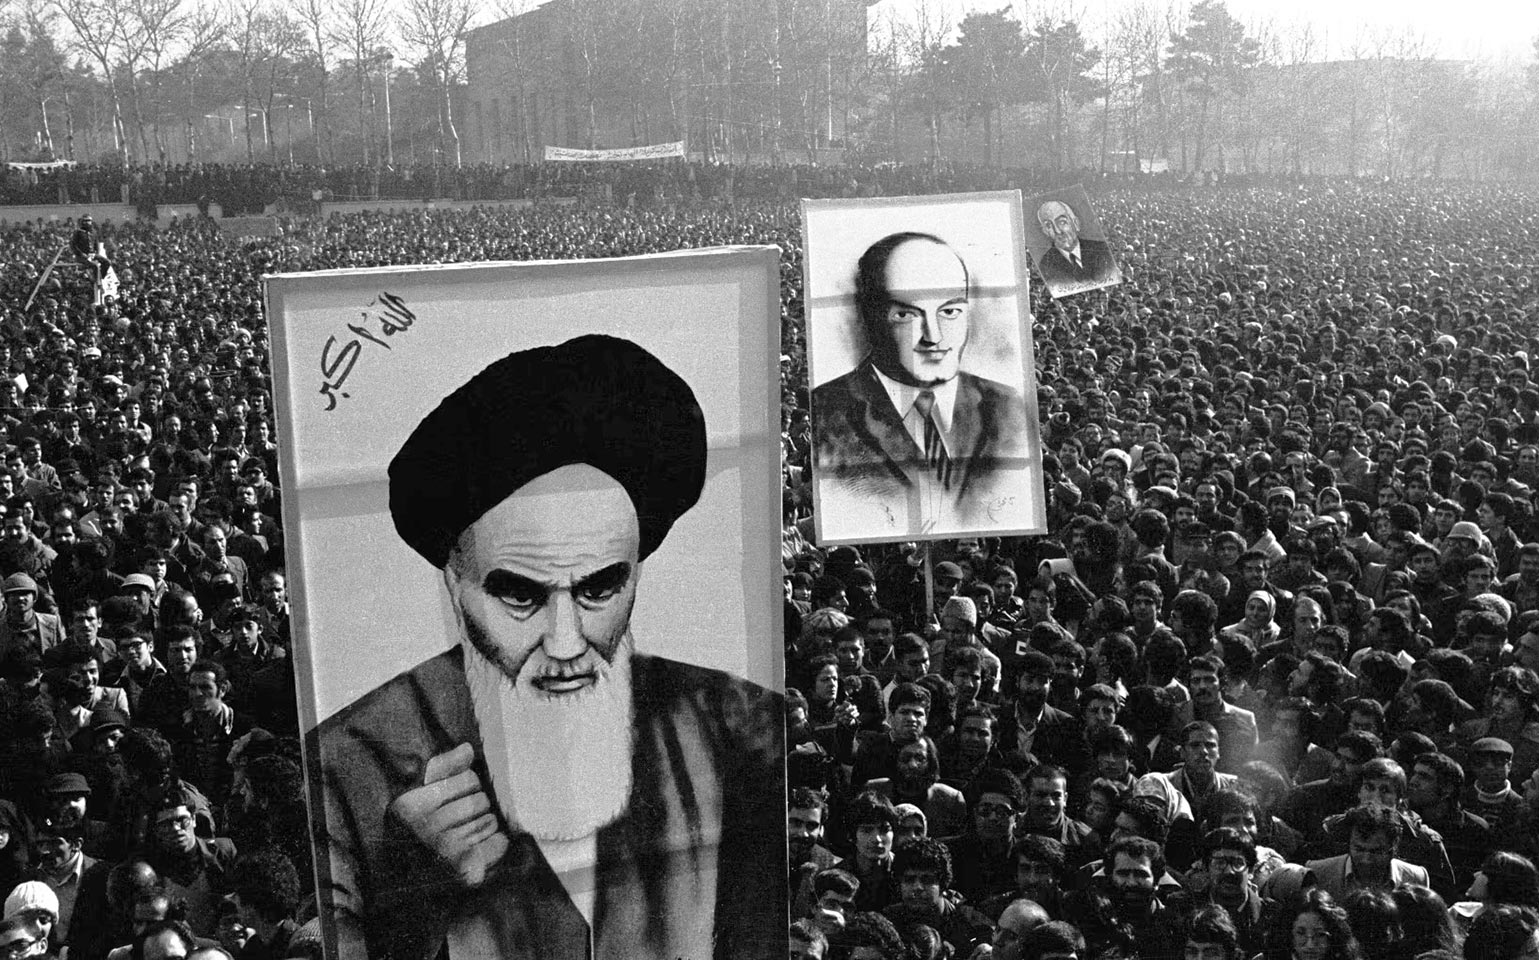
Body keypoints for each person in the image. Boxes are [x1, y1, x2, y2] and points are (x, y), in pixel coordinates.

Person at [305, 336, 785, 960]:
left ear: (636, 576)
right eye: (519, 595)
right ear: (456, 586)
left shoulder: (736, 729)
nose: (564, 642)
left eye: (598, 589)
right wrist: (407, 900)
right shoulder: (347, 767)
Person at [810, 232, 1032, 537]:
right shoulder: (824, 412)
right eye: (906, 314)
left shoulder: (1008, 407)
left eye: (950, 312)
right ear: (870, 317)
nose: (933, 336)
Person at [1032, 199, 1117, 298]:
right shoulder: (1046, 265)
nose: (1058, 231)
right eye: (1049, 226)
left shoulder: (1102, 250)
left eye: (1062, 222)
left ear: (1076, 223)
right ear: (1045, 231)